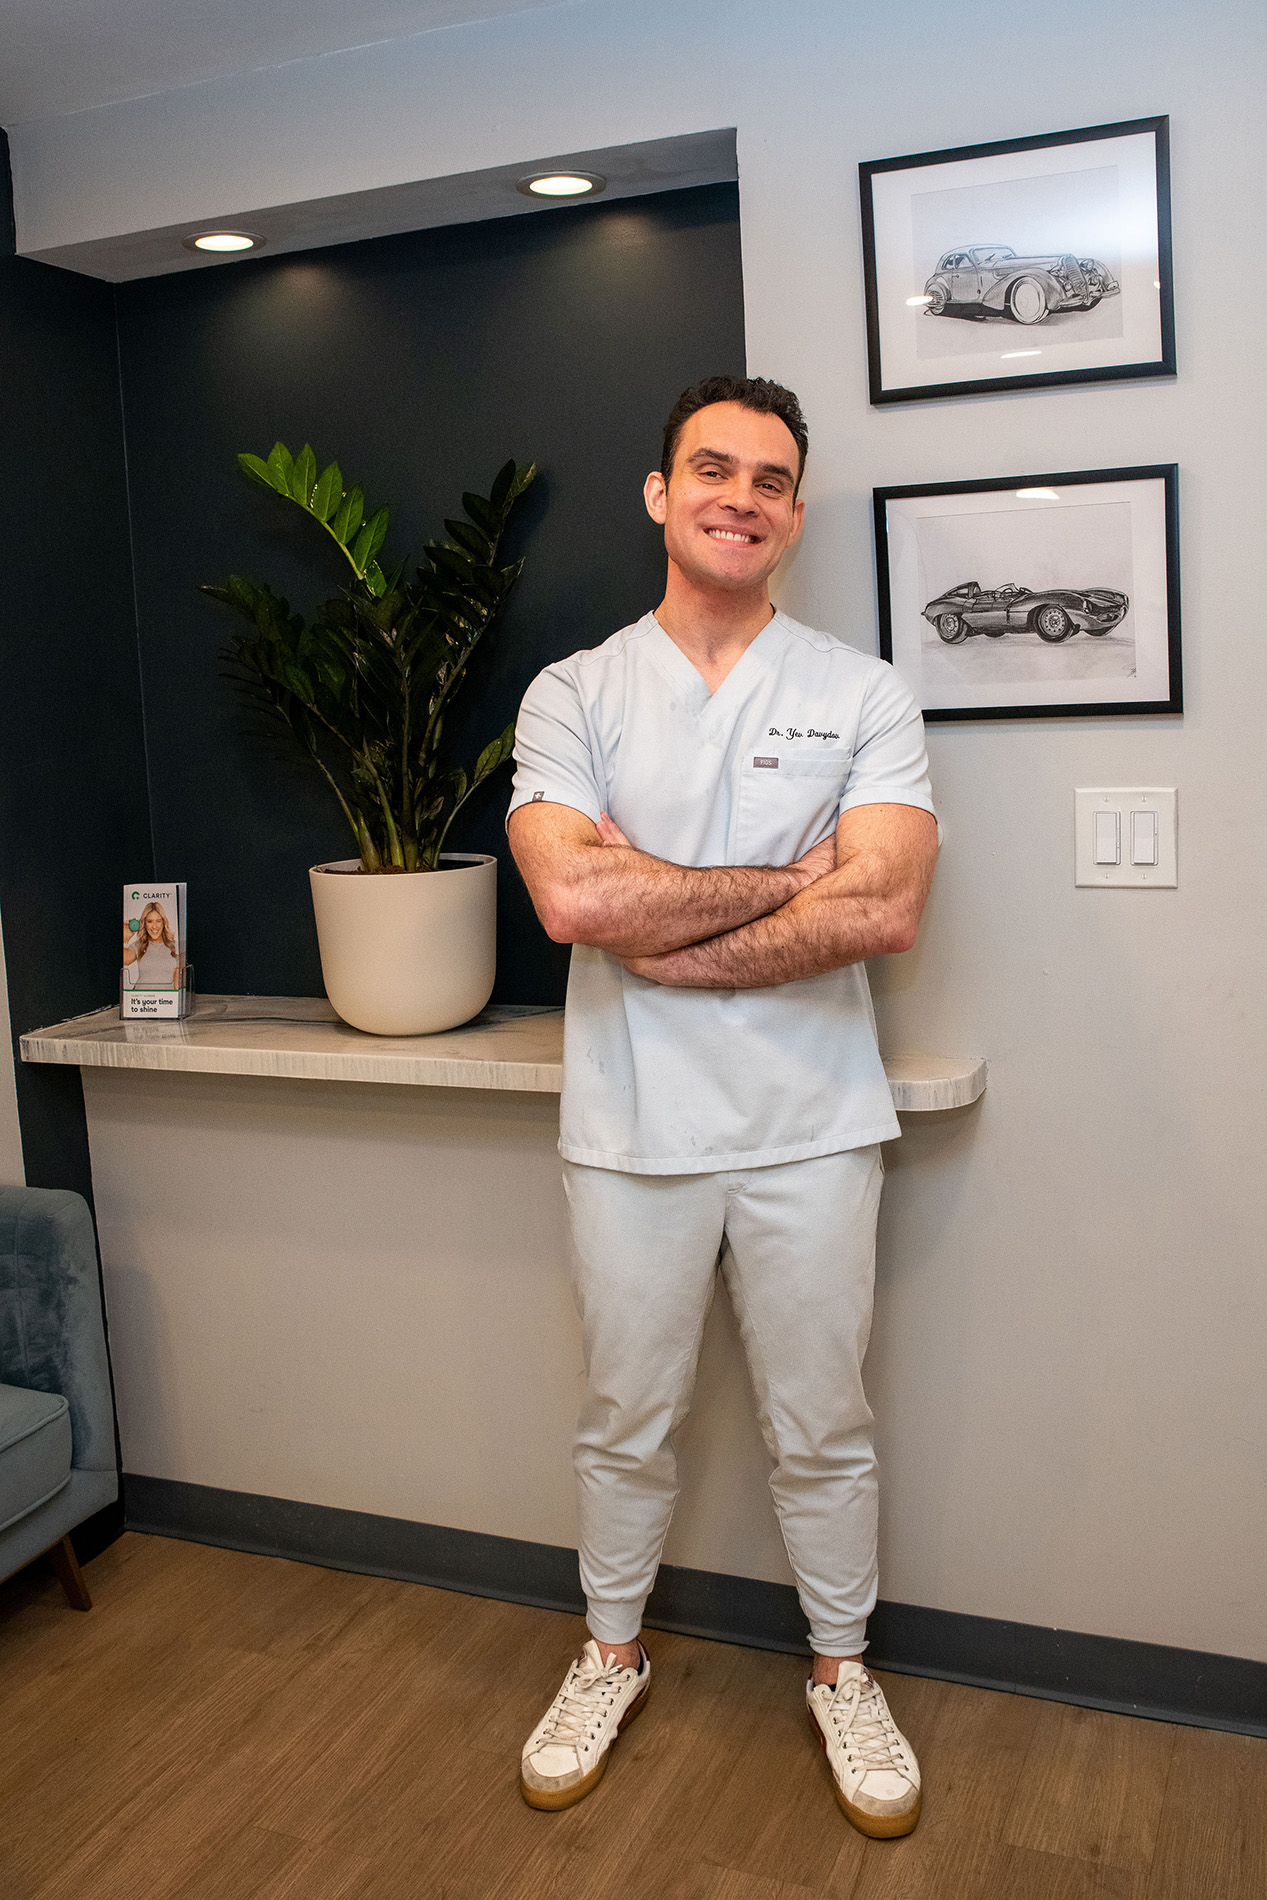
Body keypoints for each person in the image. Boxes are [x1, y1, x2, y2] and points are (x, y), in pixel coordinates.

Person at [506, 375, 939, 1837]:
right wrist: (783, 882)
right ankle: (607, 1653)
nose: (737, 497)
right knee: (626, 1417)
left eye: (767, 479)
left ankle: (839, 1674)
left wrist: (663, 921)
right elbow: (571, 893)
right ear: (659, 492)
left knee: (821, 1422)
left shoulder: (859, 692)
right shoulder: (574, 692)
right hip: (629, 1130)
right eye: (711, 469)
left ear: (794, 514)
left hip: (812, 1125)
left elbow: (881, 913)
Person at [122, 901, 180, 989]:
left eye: (158, 921)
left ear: (164, 923)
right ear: (144, 924)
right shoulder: (139, 945)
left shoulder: (175, 946)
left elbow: (178, 984)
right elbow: (123, 960)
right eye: (149, 921)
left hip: (166, 1000)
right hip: (140, 999)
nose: (154, 926)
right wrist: (124, 937)